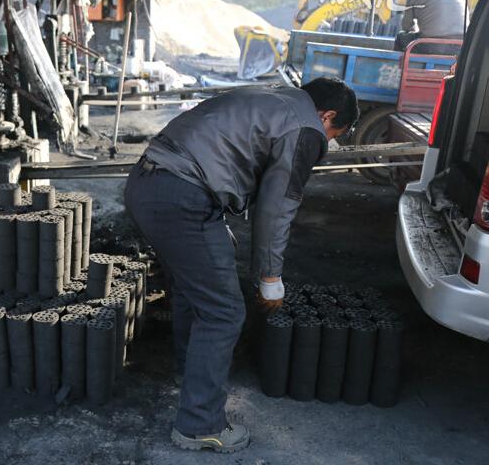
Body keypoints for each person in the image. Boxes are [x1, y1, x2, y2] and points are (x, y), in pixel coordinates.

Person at [124, 78, 358, 454]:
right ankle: (200, 426)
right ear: (326, 115)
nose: (327, 140)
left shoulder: (271, 95)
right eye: (335, 132)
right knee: (224, 311)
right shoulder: (306, 129)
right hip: (182, 196)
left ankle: (193, 377)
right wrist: (269, 277)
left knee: (192, 287)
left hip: (149, 183)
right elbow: (276, 207)